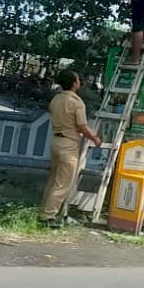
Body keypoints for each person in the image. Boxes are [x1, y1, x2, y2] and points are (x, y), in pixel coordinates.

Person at [40, 70, 102, 229]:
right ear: (74, 83)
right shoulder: (76, 102)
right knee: (63, 183)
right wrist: (95, 138)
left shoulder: (56, 99)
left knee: (53, 180)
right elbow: (82, 126)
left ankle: (48, 212)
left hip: (55, 141)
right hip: (68, 144)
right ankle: (48, 216)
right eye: (78, 79)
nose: (80, 81)